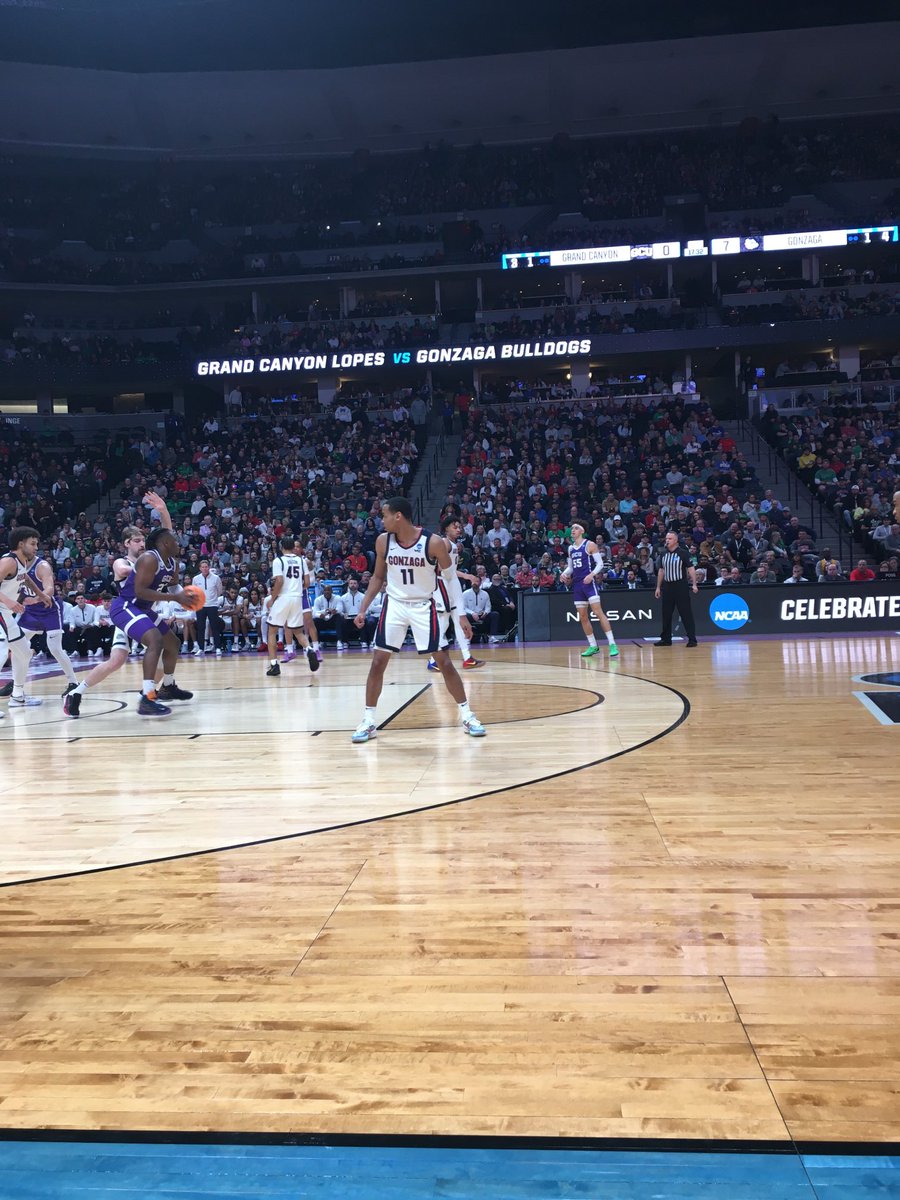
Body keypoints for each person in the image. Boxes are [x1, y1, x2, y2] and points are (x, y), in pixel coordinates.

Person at [351, 497, 486, 742]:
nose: (382, 520)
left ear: (398, 516)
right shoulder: (383, 541)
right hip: (394, 605)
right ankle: (369, 720)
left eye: (385, 515)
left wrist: (461, 614)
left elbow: (451, 579)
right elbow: (377, 578)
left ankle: (467, 715)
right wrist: (363, 608)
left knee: (443, 662)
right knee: (378, 661)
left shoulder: (432, 543)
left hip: (424, 605)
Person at [64, 493, 173, 718]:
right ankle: (77, 692)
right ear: (126, 544)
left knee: (167, 648)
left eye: (143, 540)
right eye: (137, 541)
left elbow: (166, 536)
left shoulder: (151, 558)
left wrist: (162, 511)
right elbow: (124, 571)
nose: (142, 543)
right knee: (116, 662)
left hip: (143, 612)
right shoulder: (121, 562)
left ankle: (148, 693)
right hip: (127, 612)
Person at [107, 526, 194, 717]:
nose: (178, 544)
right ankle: (147, 698)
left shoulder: (173, 563)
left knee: (173, 643)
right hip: (126, 606)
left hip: (144, 609)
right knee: (156, 641)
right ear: (164, 543)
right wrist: (175, 599)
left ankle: (168, 686)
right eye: (174, 541)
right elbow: (140, 592)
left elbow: (173, 587)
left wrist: (187, 598)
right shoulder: (149, 559)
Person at [0, 526, 54, 709]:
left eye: (37, 543)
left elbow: (25, 578)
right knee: (0, 655)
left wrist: (41, 594)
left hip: (6, 614)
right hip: (1, 611)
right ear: (20, 544)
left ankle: (17, 696)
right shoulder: (9, 561)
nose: (36, 547)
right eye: (33, 543)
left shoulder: (21, 563)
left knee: (24, 652)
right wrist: (10, 602)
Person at [427, 514, 483, 672]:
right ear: (446, 529)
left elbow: (450, 570)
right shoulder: (444, 543)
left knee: (460, 621)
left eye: (460, 527)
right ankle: (433, 660)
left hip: (451, 583)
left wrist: (467, 575)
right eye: (455, 527)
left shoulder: (453, 544)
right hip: (442, 585)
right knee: (443, 623)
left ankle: (467, 658)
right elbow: (437, 567)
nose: (458, 529)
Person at [558, 521, 619, 659]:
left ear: (582, 531)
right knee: (583, 617)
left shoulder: (590, 544)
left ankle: (612, 644)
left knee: (598, 612)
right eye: (571, 528)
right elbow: (571, 567)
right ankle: (593, 645)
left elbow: (600, 564)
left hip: (589, 584)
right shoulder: (571, 549)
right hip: (578, 585)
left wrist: (591, 575)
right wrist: (564, 573)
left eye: (575, 528)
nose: (572, 530)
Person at [264, 536, 318, 677]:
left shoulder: (278, 561)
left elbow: (280, 581)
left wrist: (272, 598)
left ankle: (274, 665)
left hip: (283, 598)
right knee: (297, 631)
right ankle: (309, 649)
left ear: (281, 547)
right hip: (297, 598)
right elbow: (307, 582)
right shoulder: (301, 560)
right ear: (293, 547)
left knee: (272, 631)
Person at [655, 530, 699, 647]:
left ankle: (692, 639)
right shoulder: (663, 554)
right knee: (666, 614)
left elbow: (691, 569)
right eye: (666, 539)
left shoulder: (683, 553)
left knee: (686, 613)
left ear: (675, 540)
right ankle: (666, 639)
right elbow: (661, 571)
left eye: (669, 539)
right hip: (667, 586)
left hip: (680, 586)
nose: (667, 541)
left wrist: (694, 584)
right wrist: (658, 587)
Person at [191, 559, 225, 657]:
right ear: (200, 568)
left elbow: (219, 591)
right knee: (201, 627)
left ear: (209, 567)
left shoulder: (216, 578)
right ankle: (201, 648)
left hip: (212, 605)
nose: (205, 568)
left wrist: (212, 599)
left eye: (206, 567)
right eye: (203, 567)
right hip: (200, 605)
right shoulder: (196, 578)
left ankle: (218, 648)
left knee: (214, 627)